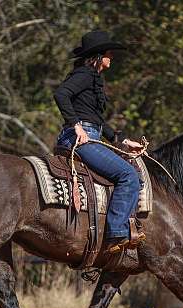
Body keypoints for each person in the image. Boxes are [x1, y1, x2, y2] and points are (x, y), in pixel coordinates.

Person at [54, 30, 145, 254]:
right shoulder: (85, 75)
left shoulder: (91, 78)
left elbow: (97, 121)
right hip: (80, 137)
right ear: (98, 55)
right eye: (109, 54)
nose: (111, 57)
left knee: (130, 171)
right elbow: (61, 94)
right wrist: (75, 125)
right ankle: (116, 234)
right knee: (128, 175)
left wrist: (122, 140)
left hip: (89, 133)